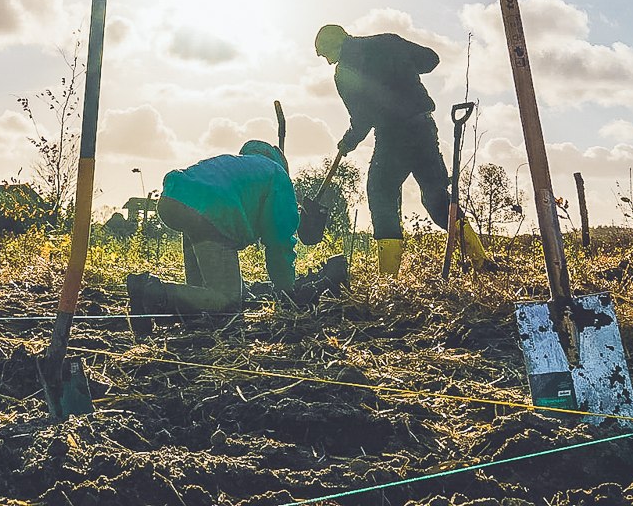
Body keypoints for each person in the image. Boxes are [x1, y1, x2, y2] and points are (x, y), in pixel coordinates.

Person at [315, 24, 486, 276]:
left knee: (381, 194)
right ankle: (481, 261)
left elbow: (362, 118)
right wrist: (401, 67)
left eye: (325, 54)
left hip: (393, 137)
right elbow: (430, 60)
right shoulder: (388, 42)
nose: (328, 62)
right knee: (437, 197)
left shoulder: (344, 72)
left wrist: (349, 141)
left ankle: (388, 279)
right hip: (424, 128)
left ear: (336, 43)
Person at [125, 140, 300, 334]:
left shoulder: (241, 166)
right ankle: (151, 292)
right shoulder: (277, 174)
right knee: (229, 302)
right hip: (213, 211)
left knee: (201, 293)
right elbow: (280, 240)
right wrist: (286, 292)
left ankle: (153, 306)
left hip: (175, 199)